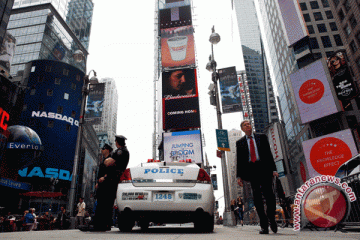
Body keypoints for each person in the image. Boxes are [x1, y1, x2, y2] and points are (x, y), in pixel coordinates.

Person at [236, 119, 279, 234]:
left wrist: (274, 169)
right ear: (242, 129)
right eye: (245, 125)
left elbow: (269, 154)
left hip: (264, 169)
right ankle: (264, 226)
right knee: (257, 199)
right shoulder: (239, 143)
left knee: (269, 196)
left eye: (249, 124)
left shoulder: (262, 137)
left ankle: (271, 218)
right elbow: (239, 161)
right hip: (252, 171)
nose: (248, 126)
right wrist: (238, 176)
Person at [82, 135, 129, 231]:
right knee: (106, 204)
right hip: (111, 180)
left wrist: (106, 176)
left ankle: (99, 225)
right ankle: (103, 225)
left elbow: (109, 163)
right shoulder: (122, 151)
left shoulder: (121, 151)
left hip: (110, 180)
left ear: (117, 142)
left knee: (103, 203)